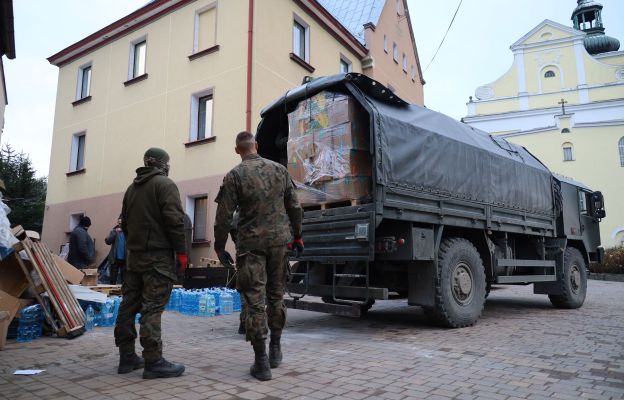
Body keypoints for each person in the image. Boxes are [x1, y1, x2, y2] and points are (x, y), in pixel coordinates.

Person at [214, 131, 303, 381]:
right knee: (276, 296)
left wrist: (220, 247)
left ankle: (261, 360)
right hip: (279, 243)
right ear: (257, 145)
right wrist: (297, 236)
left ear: (237, 150)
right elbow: (295, 207)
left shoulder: (234, 176)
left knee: (254, 301)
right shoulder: (279, 170)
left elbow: (223, 217)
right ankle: (276, 347)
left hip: (250, 245)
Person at [114, 147, 188, 379]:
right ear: (164, 165)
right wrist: (182, 253)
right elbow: (175, 222)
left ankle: (127, 357)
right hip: (158, 259)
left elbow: (124, 224)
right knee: (152, 308)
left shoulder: (131, 189)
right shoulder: (165, 185)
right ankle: (153, 361)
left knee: (128, 305)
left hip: (134, 258)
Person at [105, 216, 126, 284]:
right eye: (118, 223)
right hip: (115, 258)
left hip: (125, 259)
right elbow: (107, 241)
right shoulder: (114, 231)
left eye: (121, 223)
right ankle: (112, 292)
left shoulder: (128, 232)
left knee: (124, 279)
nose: (120, 225)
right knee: (113, 279)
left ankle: (124, 293)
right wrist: (114, 233)